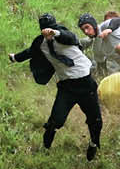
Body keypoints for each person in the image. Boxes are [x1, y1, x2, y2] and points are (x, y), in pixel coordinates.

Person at [9, 14, 103, 161]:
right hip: (66, 87)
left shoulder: (63, 34)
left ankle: (93, 144)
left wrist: (55, 32)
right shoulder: (40, 43)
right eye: (46, 29)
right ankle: (45, 148)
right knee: (55, 121)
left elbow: (69, 36)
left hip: (86, 83)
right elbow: (29, 52)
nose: (48, 31)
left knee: (95, 119)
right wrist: (14, 57)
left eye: (51, 28)